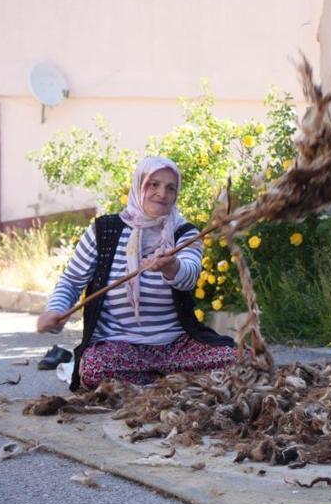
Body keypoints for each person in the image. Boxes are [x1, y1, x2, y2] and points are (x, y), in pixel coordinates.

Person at [37, 156, 236, 391]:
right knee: (94, 368)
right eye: (154, 184)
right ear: (138, 184)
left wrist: (171, 266)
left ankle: (150, 384)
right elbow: (71, 282)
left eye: (170, 188)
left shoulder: (184, 233)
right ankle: (170, 385)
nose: (162, 193)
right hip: (119, 346)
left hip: (175, 346)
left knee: (238, 360)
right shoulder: (103, 231)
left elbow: (189, 274)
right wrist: (56, 311)